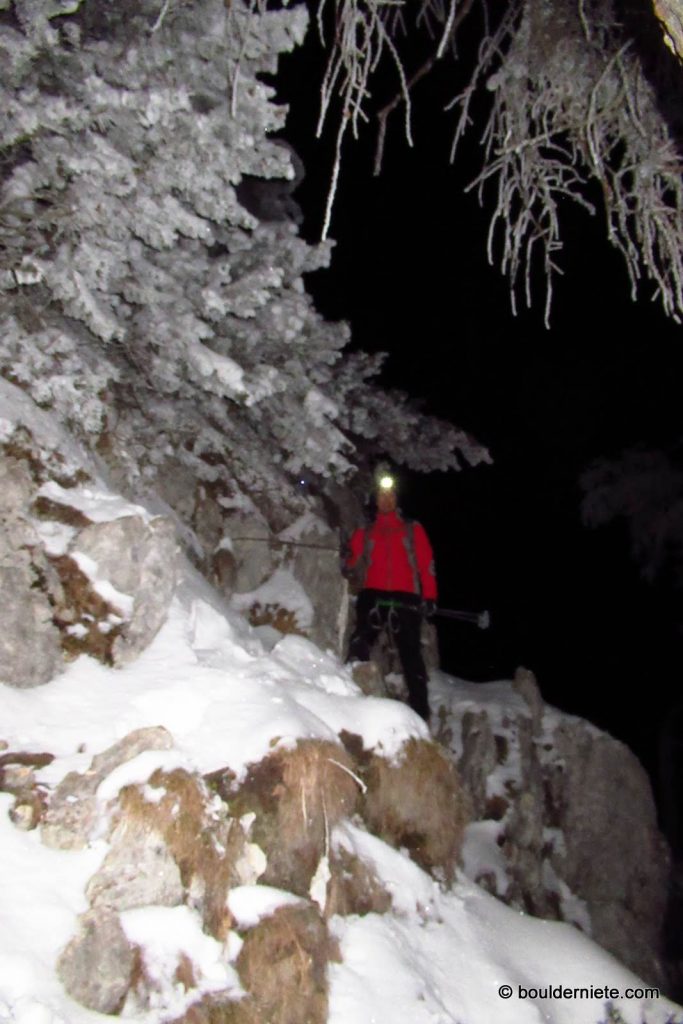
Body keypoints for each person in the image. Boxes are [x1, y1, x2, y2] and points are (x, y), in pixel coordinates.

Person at [344, 468, 437, 722]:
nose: (386, 501)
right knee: (360, 640)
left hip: (406, 597)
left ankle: (420, 713)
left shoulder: (411, 529)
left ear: (396, 500)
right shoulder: (366, 530)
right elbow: (352, 562)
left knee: (411, 656)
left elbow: (426, 564)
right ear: (376, 500)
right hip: (374, 594)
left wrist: (429, 596)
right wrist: (347, 556)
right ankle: (348, 693)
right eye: (382, 496)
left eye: (391, 496)